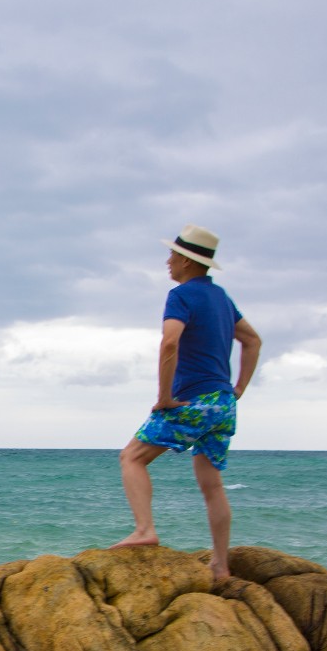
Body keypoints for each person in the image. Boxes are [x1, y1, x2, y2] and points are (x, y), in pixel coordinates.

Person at [111, 225, 261, 579]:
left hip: (192, 399)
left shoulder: (181, 296)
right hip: (223, 403)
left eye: (172, 255)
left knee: (131, 457)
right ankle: (220, 565)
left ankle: (145, 530)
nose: (167, 261)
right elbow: (252, 341)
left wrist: (164, 397)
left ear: (186, 260)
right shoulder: (222, 298)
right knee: (212, 485)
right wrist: (237, 389)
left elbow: (169, 343)